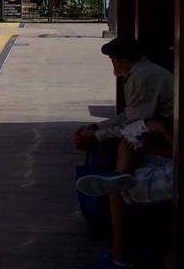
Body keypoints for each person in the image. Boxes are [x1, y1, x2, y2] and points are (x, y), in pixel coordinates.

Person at [75, 118, 174, 269]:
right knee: (128, 142)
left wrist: (163, 129)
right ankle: (119, 174)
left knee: (121, 187)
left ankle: (119, 258)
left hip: (182, 162)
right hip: (170, 149)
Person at [71, 37, 173, 174]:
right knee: (102, 140)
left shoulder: (143, 78)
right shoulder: (138, 73)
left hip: (168, 131)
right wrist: (95, 128)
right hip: (155, 125)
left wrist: (95, 134)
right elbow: (129, 113)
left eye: (112, 58)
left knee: (109, 146)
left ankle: (113, 190)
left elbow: (136, 124)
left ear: (119, 60)